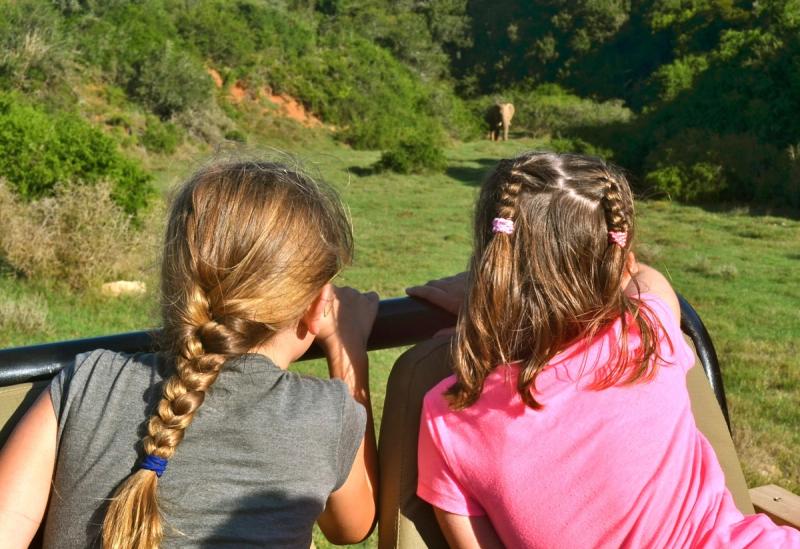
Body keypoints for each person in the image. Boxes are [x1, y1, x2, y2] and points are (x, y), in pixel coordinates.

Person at [408, 152, 800, 548]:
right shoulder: (646, 333)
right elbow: (645, 276)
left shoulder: (449, 420)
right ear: (620, 260)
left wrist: (488, 297)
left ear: (493, 258)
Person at [0, 161, 379, 548]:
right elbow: (353, 527)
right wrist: (348, 353)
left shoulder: (88, 381)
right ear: (317, 307)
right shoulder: (325, 413)